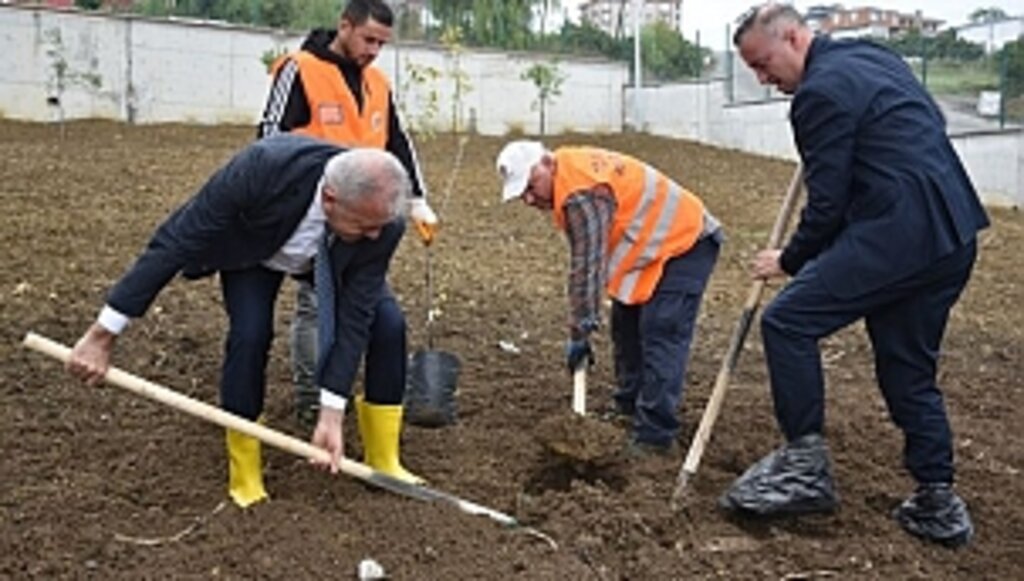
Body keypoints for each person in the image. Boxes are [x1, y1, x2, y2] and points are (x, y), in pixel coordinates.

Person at [720, 3, 989, 548]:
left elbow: (827, 204)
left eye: (764, 64)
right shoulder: (872, 56)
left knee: (789, 322)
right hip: (952, 233)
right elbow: (923, 124)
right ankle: (938, 501)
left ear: (794, 37)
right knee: (907, 371)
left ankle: (803, 468)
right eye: (752, 69)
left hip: (898, 232)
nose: (763, 79)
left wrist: (790, 261)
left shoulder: (819, 94)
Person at [66, 133, 423, 509]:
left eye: (380, 226)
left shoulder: (382, 219)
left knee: (388, 325)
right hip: (253, 253)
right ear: (331, 199)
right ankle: (245, 468)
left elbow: (353, 319)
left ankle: (384, 459)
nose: (375, 236)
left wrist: (332, 412)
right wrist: (103, 334)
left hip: (330, 260)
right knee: (250, 335)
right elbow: (176, 241)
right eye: (365, 226)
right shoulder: (263, 168)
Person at [258, 0, 437, 427]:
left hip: (366, 213)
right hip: (317, 210)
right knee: (315, 302)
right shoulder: (300, 69)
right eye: (368, 39)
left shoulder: (377, 82)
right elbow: (268, 137)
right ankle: (311, 399)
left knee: (365, 305)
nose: (374, 50)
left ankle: (336, 396)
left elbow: (397, 141)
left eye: (382, 43)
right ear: (345, 26)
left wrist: (416, 200)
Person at [496, 141, 723, 454]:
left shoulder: (581, 192)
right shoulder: (569, 176)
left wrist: (580, 328)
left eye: (531, 187)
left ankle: (655, 436)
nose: (530, 199)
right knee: (626, 325)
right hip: (650, 251)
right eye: (523, 194)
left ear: (548, 163)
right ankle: (629, 408)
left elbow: (587, 265)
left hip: (686, 242)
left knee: (661, 331)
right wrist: (583, 324)